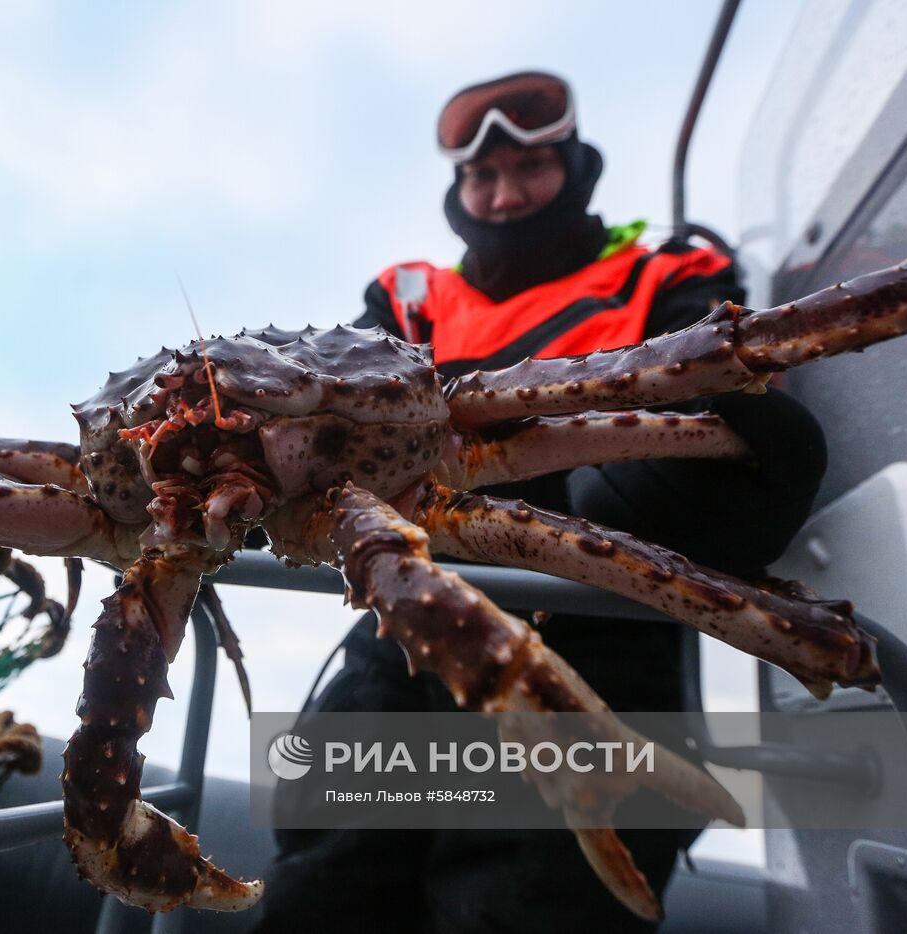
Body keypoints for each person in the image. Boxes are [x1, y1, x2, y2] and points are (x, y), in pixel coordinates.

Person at [253, 71, 827, 933]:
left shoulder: (666, 270)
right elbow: (325, 423)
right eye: (483, 177)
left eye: (529, 168)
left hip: (603, 612)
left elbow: (723, 394)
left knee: (540, 903)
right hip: (401, 618)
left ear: (575, 166)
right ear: (459, 191)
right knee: (326, 883)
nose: (506, 193)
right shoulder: (410, 297)